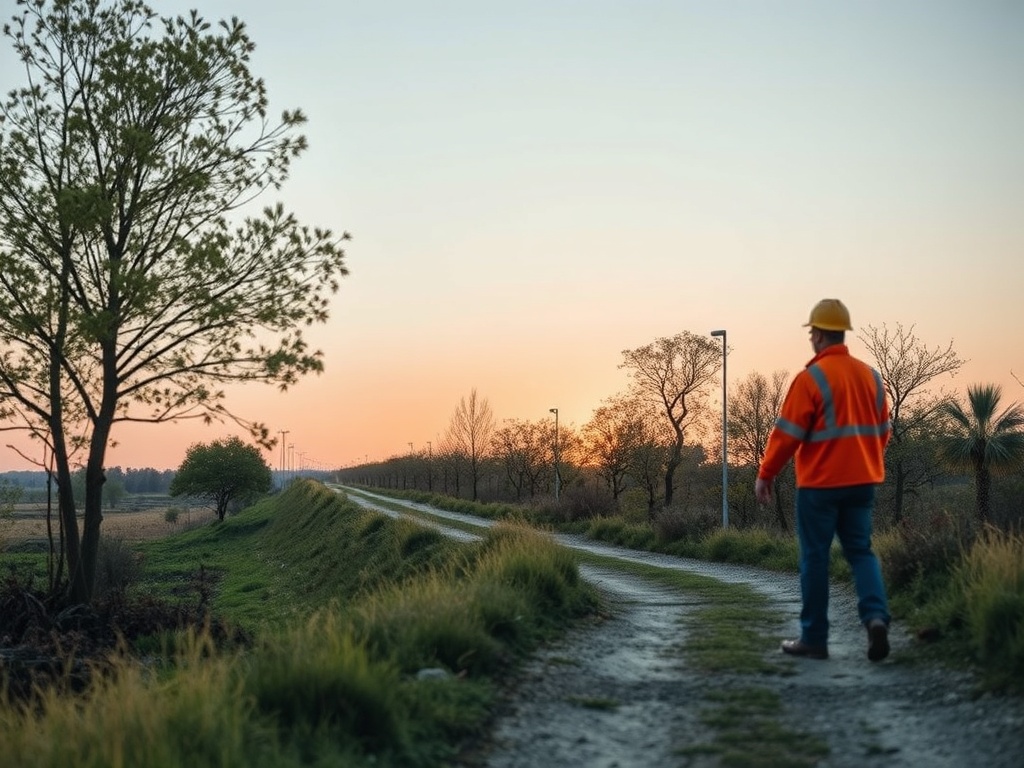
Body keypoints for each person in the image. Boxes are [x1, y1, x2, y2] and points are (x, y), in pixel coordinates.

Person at [755, 298, 892, 662]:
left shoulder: (810, 378)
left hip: (819, 485)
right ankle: (876, 618)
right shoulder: (871, 377)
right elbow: (883, 431)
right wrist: (864, 460)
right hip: (862, 481)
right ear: (843, 333)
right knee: (861, 552)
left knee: (815, 558)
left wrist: (766, 474)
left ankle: (814, 639)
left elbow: (787, 435)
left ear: (816, 335)